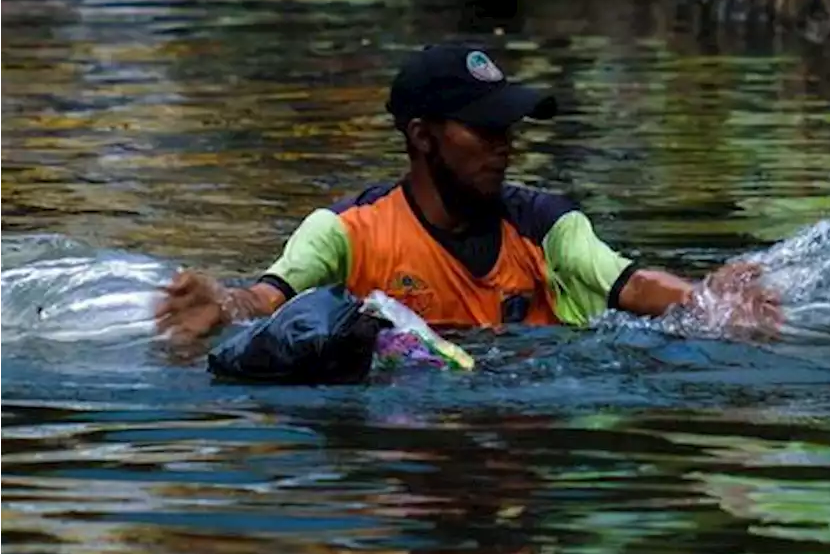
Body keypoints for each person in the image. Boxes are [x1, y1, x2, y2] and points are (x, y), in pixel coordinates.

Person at [155, 44, 780, 345]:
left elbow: (629, 284)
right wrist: (222, 303)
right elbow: (266, 299)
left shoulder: (547, 224)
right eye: (483, 129)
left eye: (507, 127)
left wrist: (706, 299)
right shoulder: (345, 231)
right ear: (424, 138)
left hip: (526, 417)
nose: (504, 144)